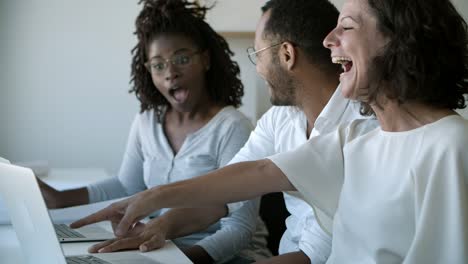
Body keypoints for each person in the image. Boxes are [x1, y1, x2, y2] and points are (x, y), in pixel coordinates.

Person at [73, 0, 468, 262]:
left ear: (397, 41)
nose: (329, 41)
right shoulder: (360, 142)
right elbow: (254, 174)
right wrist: (151, 204)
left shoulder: (449, 146)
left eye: (346, 27)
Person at [37, 0, 271, 263]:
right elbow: (127, 185)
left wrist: (178, 260)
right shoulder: (147, 121)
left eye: (182, 59)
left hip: (228, 257)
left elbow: (239, 229)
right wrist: (60, 199)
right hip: (160, 249)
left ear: (205, 59)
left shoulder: (232, 127)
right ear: (148, 70)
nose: (171, 73)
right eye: (158, 65)